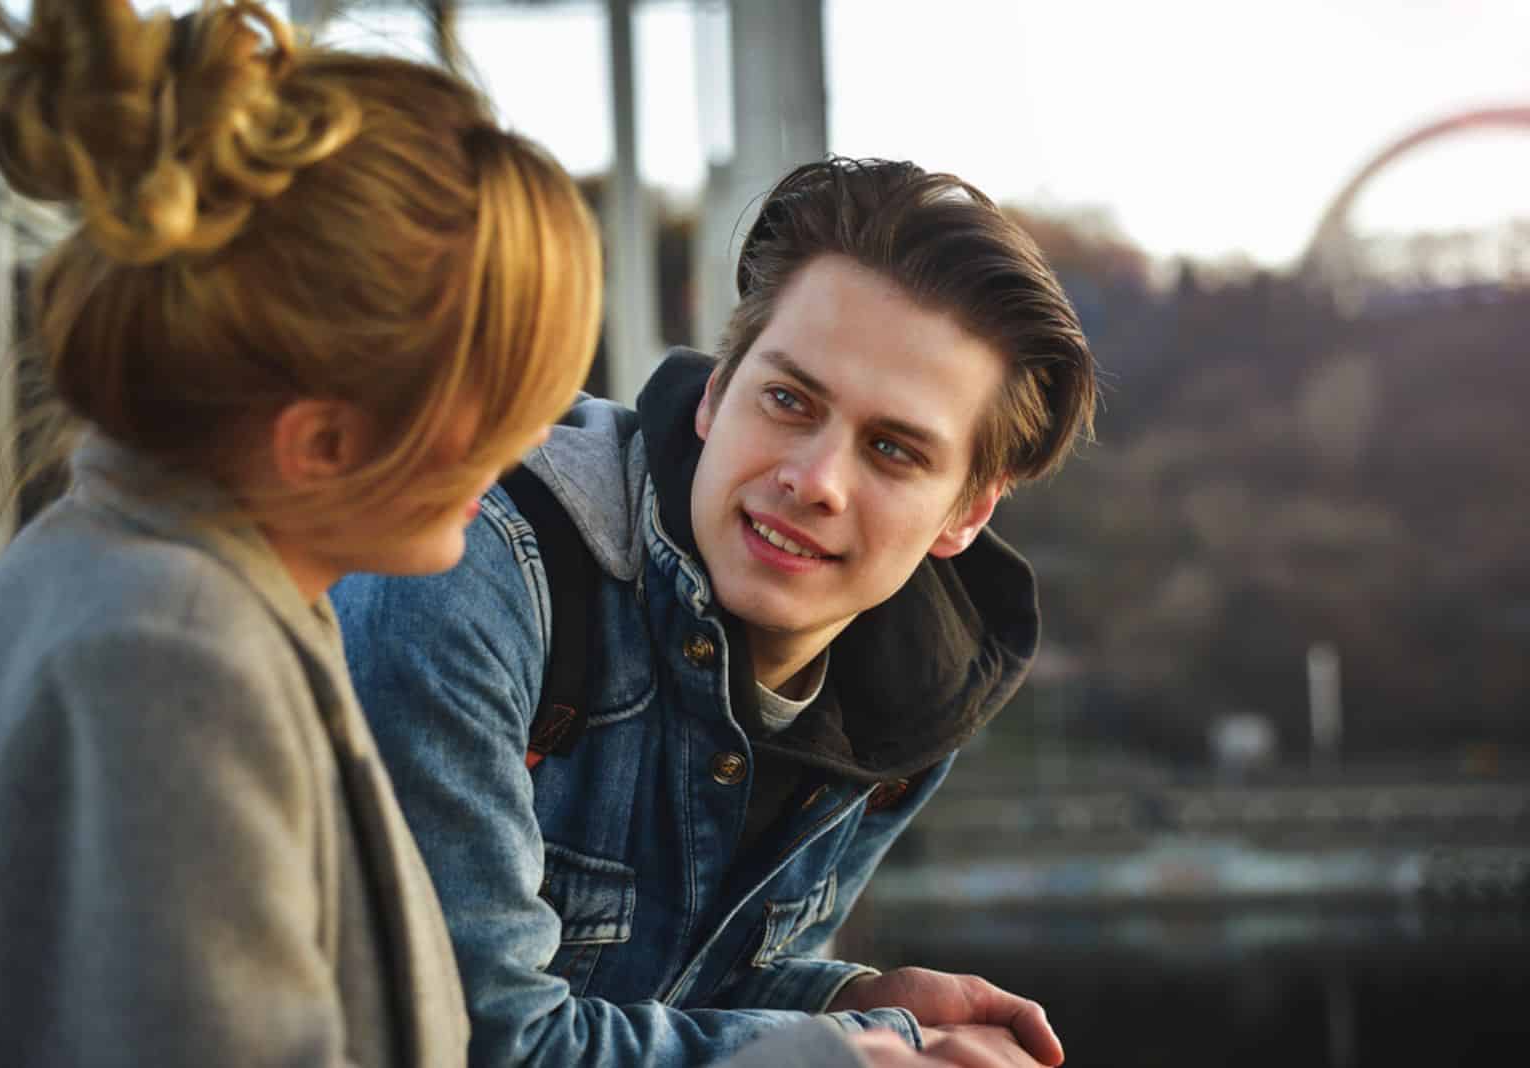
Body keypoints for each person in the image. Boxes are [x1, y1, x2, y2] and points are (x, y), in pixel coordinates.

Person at [0, 1, 603, 1064]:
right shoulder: (168, 662)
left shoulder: (149, 592)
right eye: (499, 405)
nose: (521, 454)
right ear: (323, 443)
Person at [332, 154, 1099, 1068]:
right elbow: (480, 1042)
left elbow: (692, 989)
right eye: (787, 399)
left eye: (893, 450)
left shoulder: (911, 696)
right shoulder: (472, 560)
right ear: (714, 392)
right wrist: (866, 1050)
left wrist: (844, 995)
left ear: (968, 513)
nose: (813, 481)